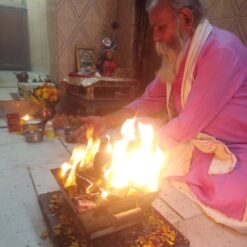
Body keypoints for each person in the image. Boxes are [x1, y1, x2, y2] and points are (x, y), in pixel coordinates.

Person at [75, 0, 247, 233]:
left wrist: (134, 148)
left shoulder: (220, 51)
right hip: (198, 145)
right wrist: (107, 121)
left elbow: (186, 124)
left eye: (161, 28)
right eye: (154, 29)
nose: (155, 37)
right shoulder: (178, 56)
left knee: (229, 194)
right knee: (157, 164)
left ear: (186, 19)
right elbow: (149, 99)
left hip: (234, 148)